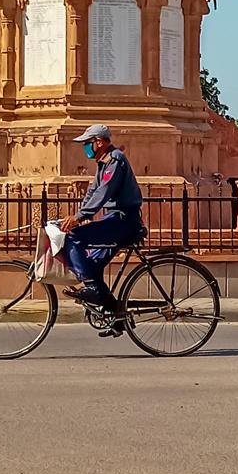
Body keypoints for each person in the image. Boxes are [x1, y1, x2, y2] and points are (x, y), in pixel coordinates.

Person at [60, 124, 144, 337]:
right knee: (93, 265)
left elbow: (103, 193)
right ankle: (117, 316)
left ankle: (92, 288)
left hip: (124, 220)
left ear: (99, 141)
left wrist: (79, 219)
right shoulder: (102, 163)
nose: (85, 148)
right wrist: (77, 215)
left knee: (75, 238)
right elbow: (92, 192)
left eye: (87, 143)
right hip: (114, 219)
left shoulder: (114, 160)